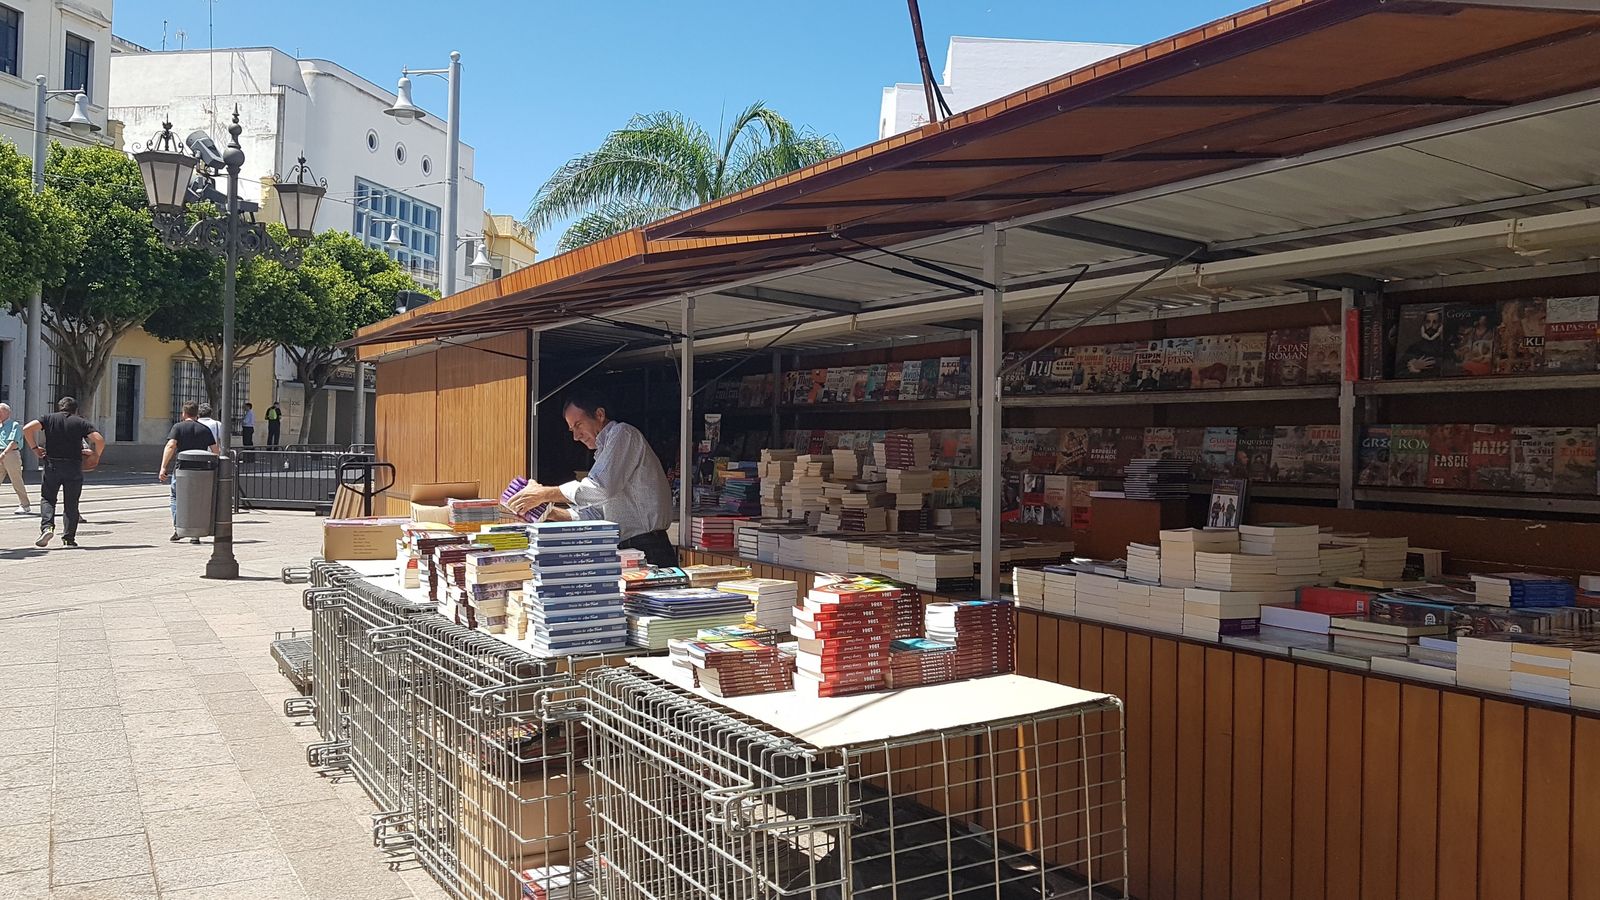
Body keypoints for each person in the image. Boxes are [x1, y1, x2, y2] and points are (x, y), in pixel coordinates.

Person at [507, 391, 677, 566]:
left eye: (579, 425)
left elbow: (600, 489)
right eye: (572, 429)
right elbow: (595, 513)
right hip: (627, 549)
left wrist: (545, 493)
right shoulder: (603, 452)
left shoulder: (623, 434)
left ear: (600, 414)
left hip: (648, 548)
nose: (576, 436)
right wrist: (547, 512)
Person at [22, 397, 103, 548]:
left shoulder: (48, 419)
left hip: (52, 465)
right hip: (73, 466)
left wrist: (35, 448)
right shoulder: (80, 422)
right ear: (75, 409)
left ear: (59, 407)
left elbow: (27, 429)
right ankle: (68, 539)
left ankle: (47, 527)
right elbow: (99, 439)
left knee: (47, 498)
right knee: (71, 503)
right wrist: (95, 456)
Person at [159, 400, 219, 544]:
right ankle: (195, 534)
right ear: (196, 414)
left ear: (184, 413)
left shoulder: (178, 427)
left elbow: (171, 446)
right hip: (202, 470)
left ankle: (179, 528)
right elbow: (216, 450)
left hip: (182, 469)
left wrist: (163, 467)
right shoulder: (205, 429)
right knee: (198, 500)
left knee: (176, 497)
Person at [0, 403, 29, 515]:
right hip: (1, 452)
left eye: (1, 412)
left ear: (7, 412)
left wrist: (4, 454)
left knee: (16, 480)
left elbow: (14, 442)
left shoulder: (15, 425)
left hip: (10, 454)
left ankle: (25, 505)